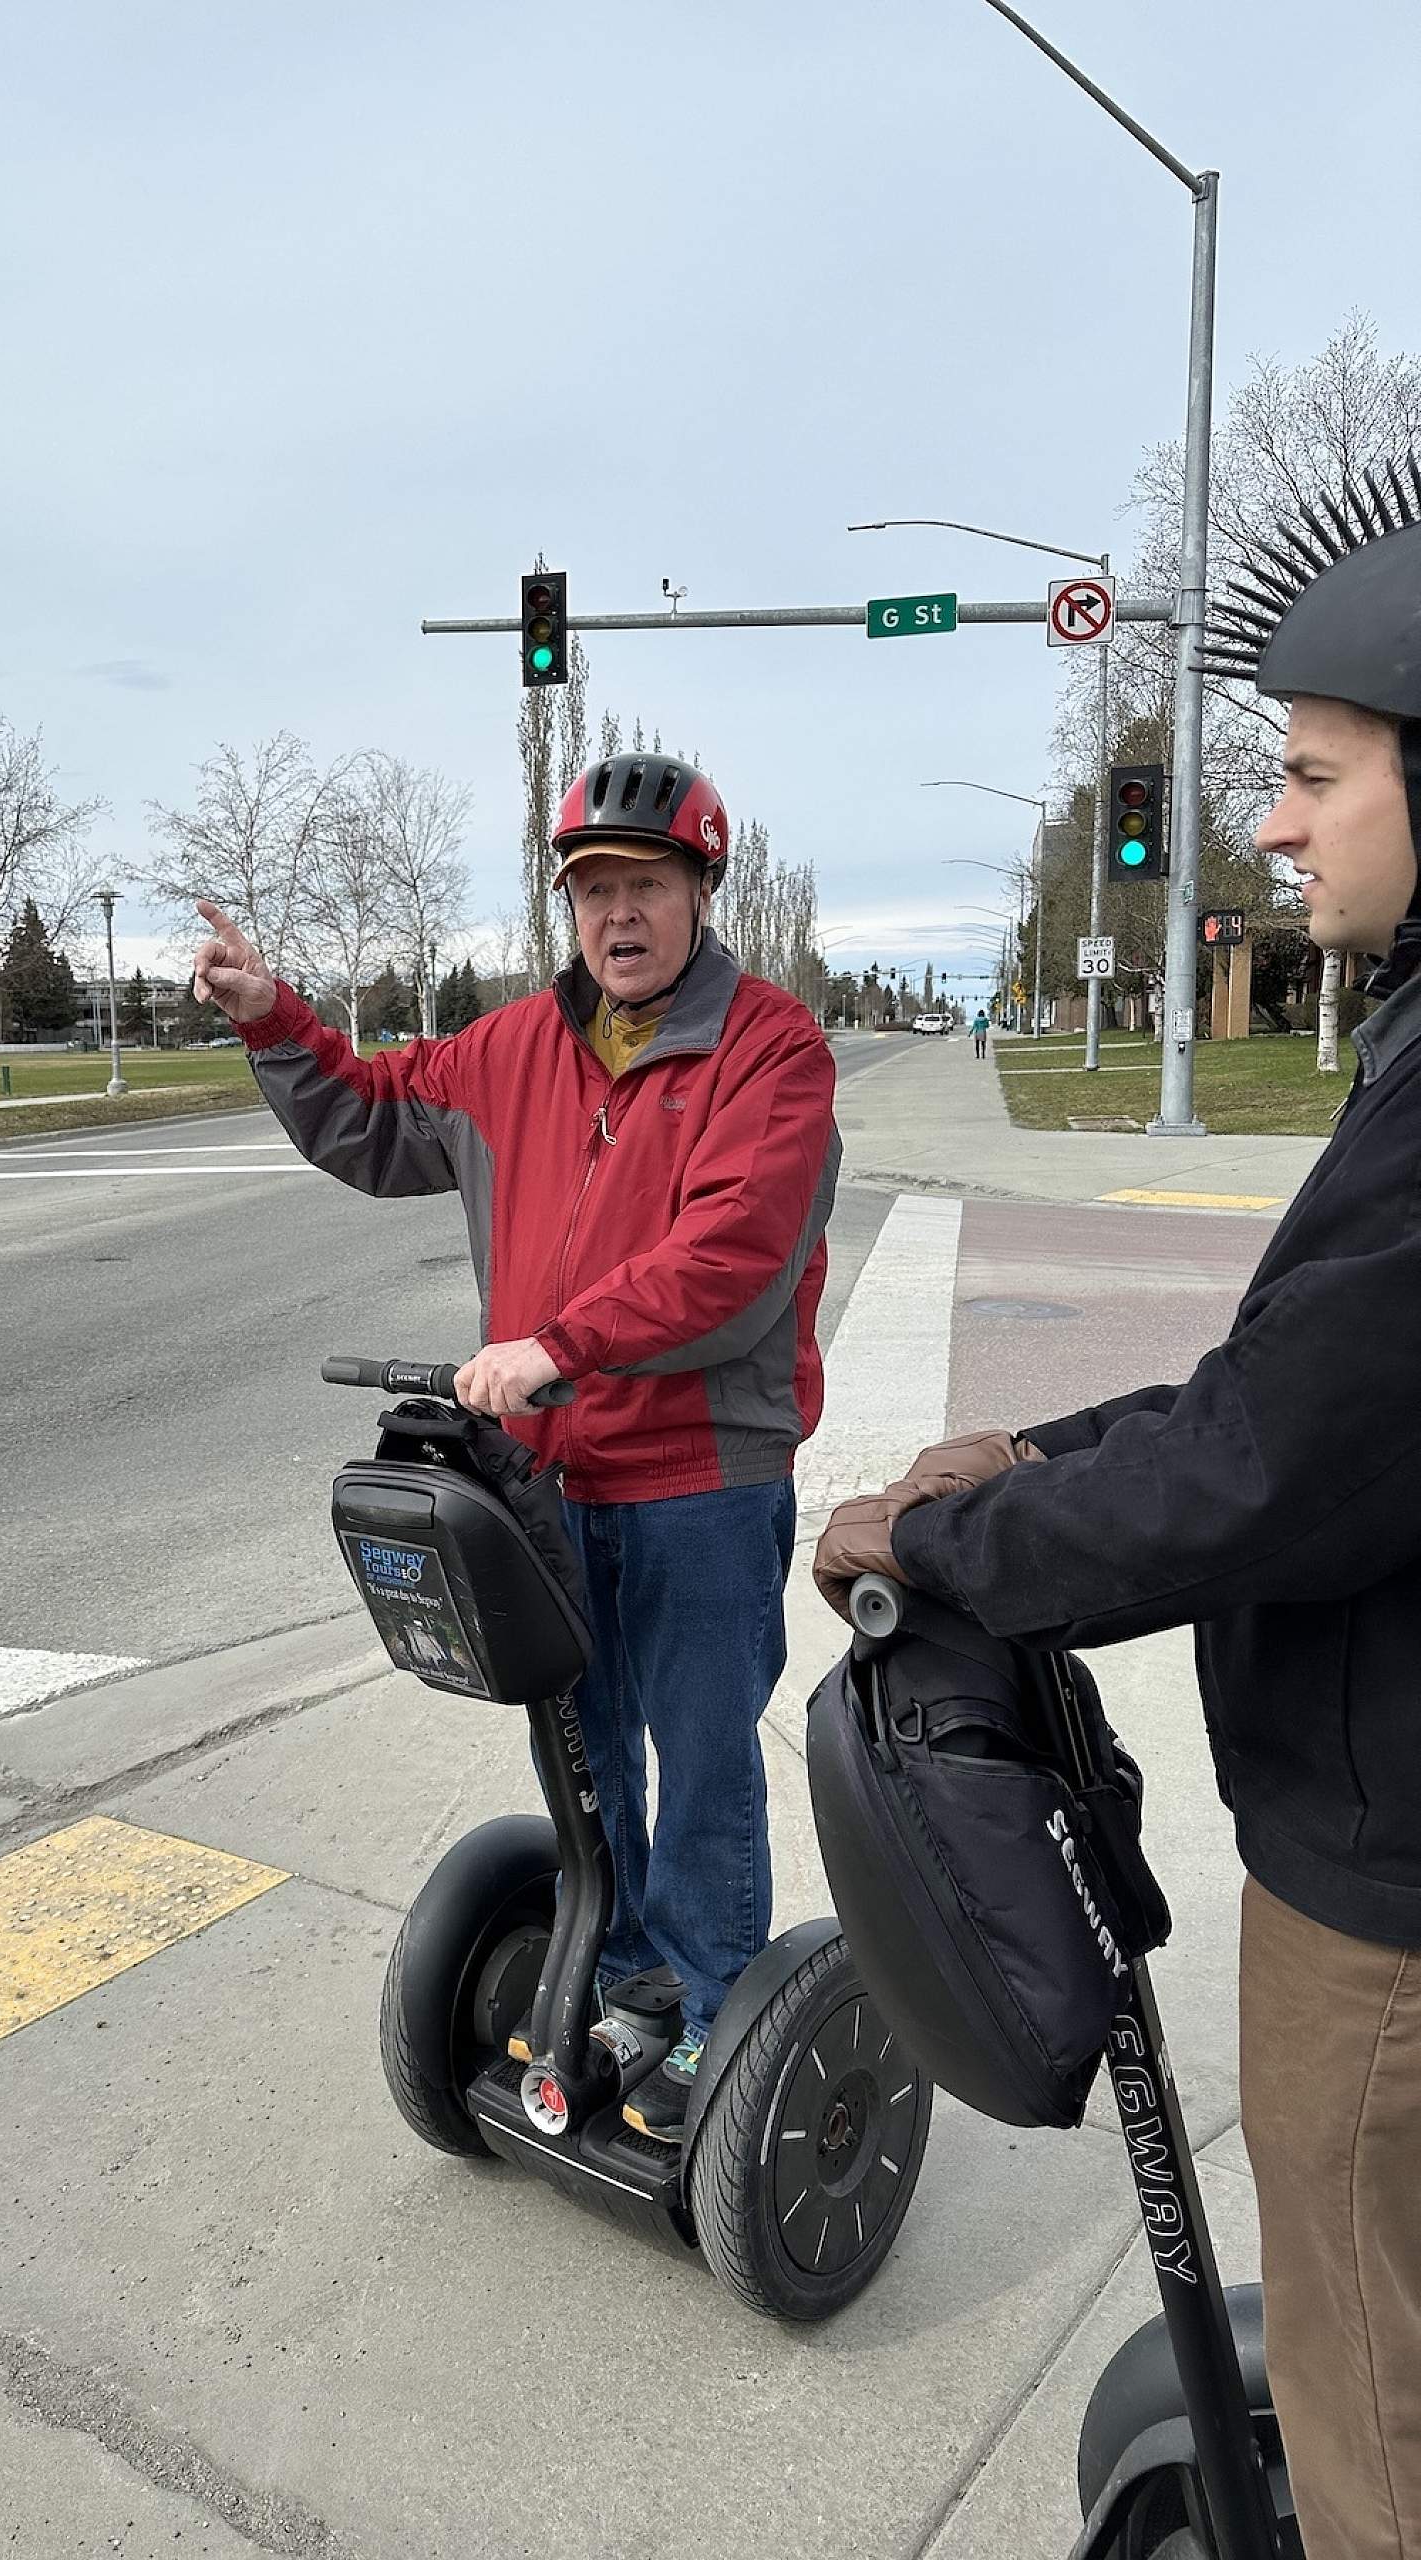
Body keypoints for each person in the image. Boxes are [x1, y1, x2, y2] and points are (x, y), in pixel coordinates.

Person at [813, 456, 1421, 2560]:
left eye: (1319, 772)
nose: (1272, 818)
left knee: (1378, 2445)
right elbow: (1315, 1385)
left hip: (1394, 1913)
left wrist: (952, 1536)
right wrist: (1040, 1458)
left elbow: (1274, 1463)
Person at [194, 754, 839, 2137]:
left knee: (703, 1751)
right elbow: (369, 1120)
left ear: (701, 892)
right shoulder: (512, 1049)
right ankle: (627, 1978)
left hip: (699, 1474)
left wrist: (562, 1345)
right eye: (595, 888)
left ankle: (724, 2019)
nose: (619, 914)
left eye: (647, 886)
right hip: (548, 1475)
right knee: (585, 1740)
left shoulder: (770, 1048)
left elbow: (734, 1252)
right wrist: (273, 1023)